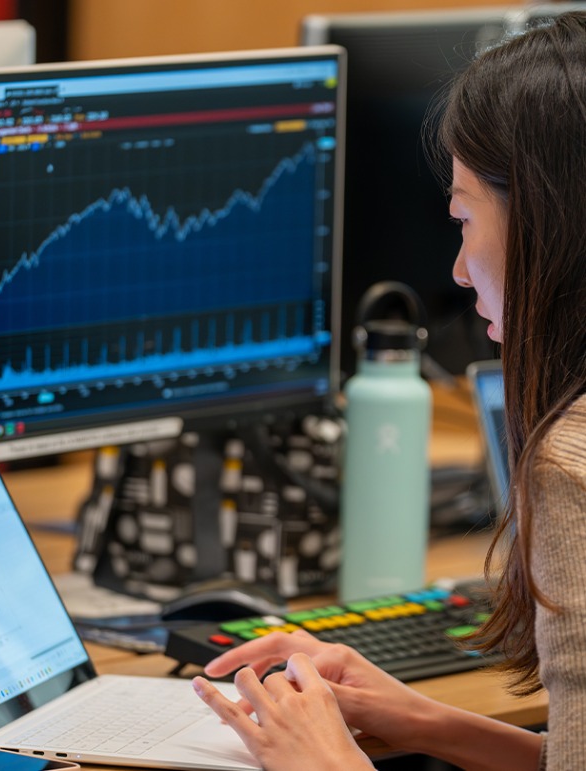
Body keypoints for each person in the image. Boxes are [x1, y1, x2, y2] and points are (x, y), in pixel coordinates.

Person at [191, 10, 586, 771]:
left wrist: (325, 763)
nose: (460, 269)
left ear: (548, 224)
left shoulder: (570, 463)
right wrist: (432, 723)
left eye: (463, 217)